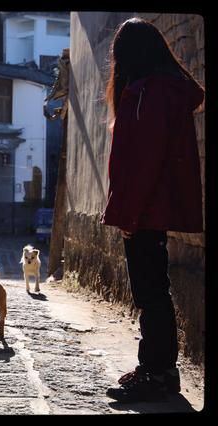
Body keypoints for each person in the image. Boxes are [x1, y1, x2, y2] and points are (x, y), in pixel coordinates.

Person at [101, 17, 204, 403]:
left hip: (145, 211)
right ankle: (154, 368)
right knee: (153, 291)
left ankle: (159, 374)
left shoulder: (149, 94)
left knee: (151, 294)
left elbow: (142, 163)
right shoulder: (159, 90)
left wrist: (128, 216)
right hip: (151, 209)